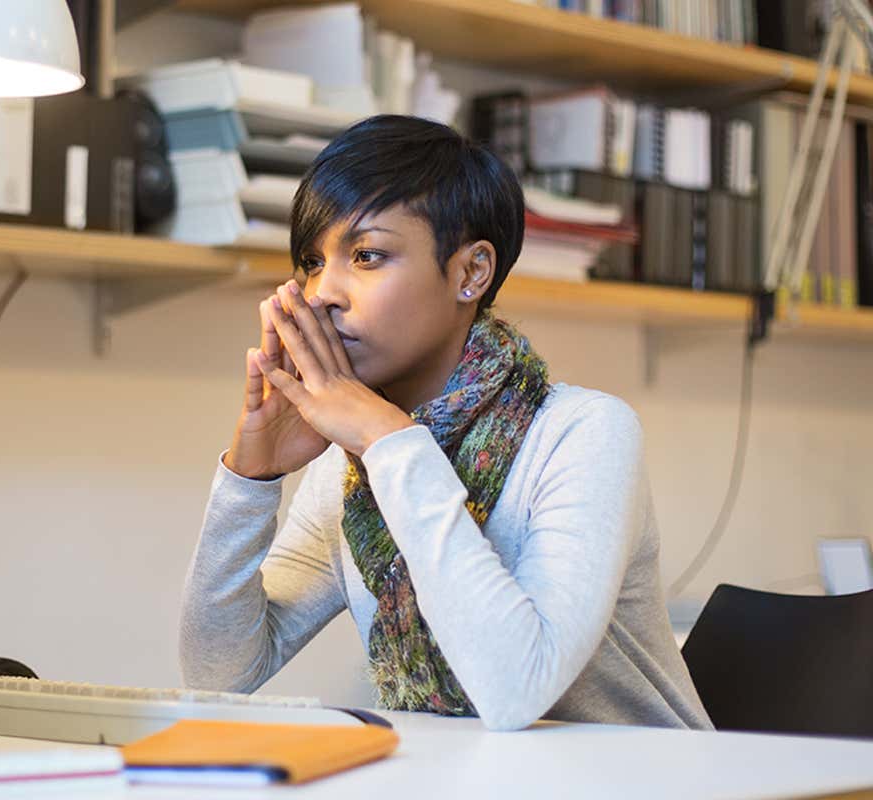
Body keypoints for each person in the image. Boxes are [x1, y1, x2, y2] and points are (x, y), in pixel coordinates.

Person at [180, 115, 712, 732]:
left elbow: (517, 690)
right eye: (311, 262)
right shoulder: (351, 468)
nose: (324, 292)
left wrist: (389, 441)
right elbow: (219, 674)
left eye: (367, 255)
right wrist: (252, 476)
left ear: (470, 273)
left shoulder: (585, 432)